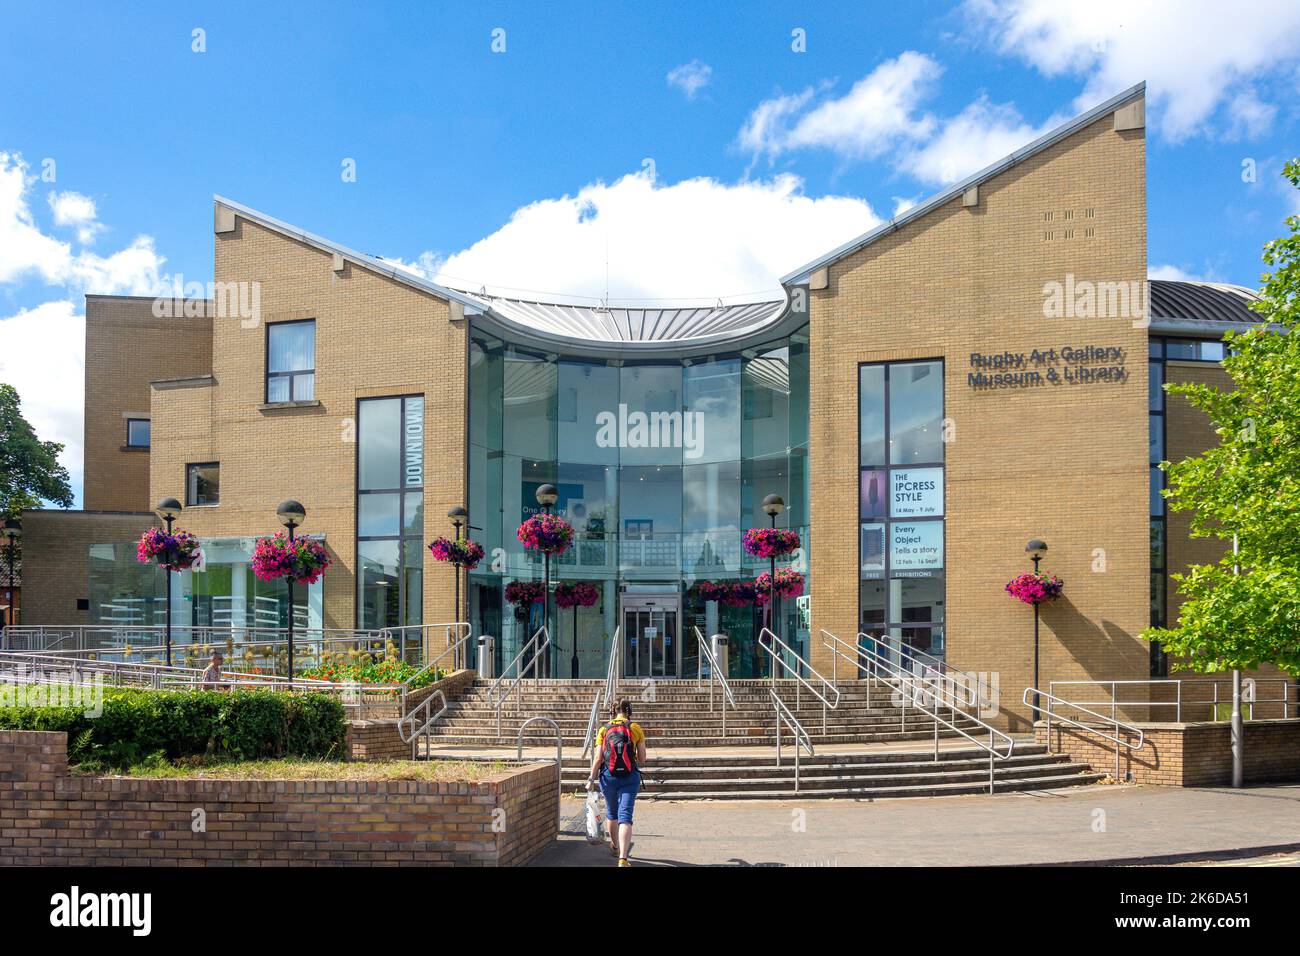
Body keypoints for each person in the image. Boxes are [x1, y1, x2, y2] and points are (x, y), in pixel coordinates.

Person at [587, 698, 646, 867]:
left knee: (612, 813)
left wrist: (591, 779)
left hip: (608, 776)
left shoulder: (604, 730)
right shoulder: (635, 728)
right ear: (628, 711)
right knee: (625, 816)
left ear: (612, 711)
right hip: (630, 777)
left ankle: (614, 845)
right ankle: (623, 858)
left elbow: (598, 758)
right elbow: (642, 759)